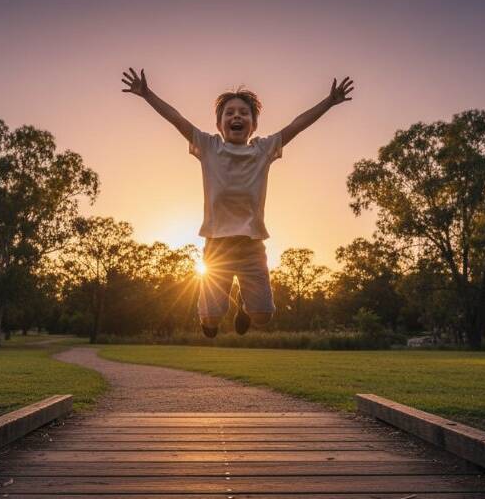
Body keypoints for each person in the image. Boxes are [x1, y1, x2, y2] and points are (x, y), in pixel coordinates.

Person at [122, 68, 353, 337]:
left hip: (251, 247)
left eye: (243, 113)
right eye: (229, 113)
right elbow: (178, 120)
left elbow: (296, 125)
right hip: (216, 247)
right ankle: (213, 315)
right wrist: (148, 95)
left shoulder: (263, 149)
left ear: (253, 125)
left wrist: (329, 101)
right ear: (220, 124)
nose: (236, 116)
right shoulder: (209, 147)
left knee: (263, 317)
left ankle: (244, 306)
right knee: (209, 321)